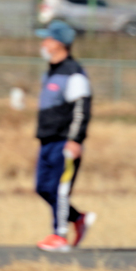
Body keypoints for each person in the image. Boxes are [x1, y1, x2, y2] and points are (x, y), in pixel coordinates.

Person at [34, 19, 96, 252]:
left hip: (65, 141)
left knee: (60, 190)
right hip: (47, 140)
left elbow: (82, 109)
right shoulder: (51, 72)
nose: (43, 44)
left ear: (59, 43)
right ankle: (78, 219)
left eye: (47, 39)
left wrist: (75, 140)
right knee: (43, 188)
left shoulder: (74, 74)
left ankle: (59, 236)